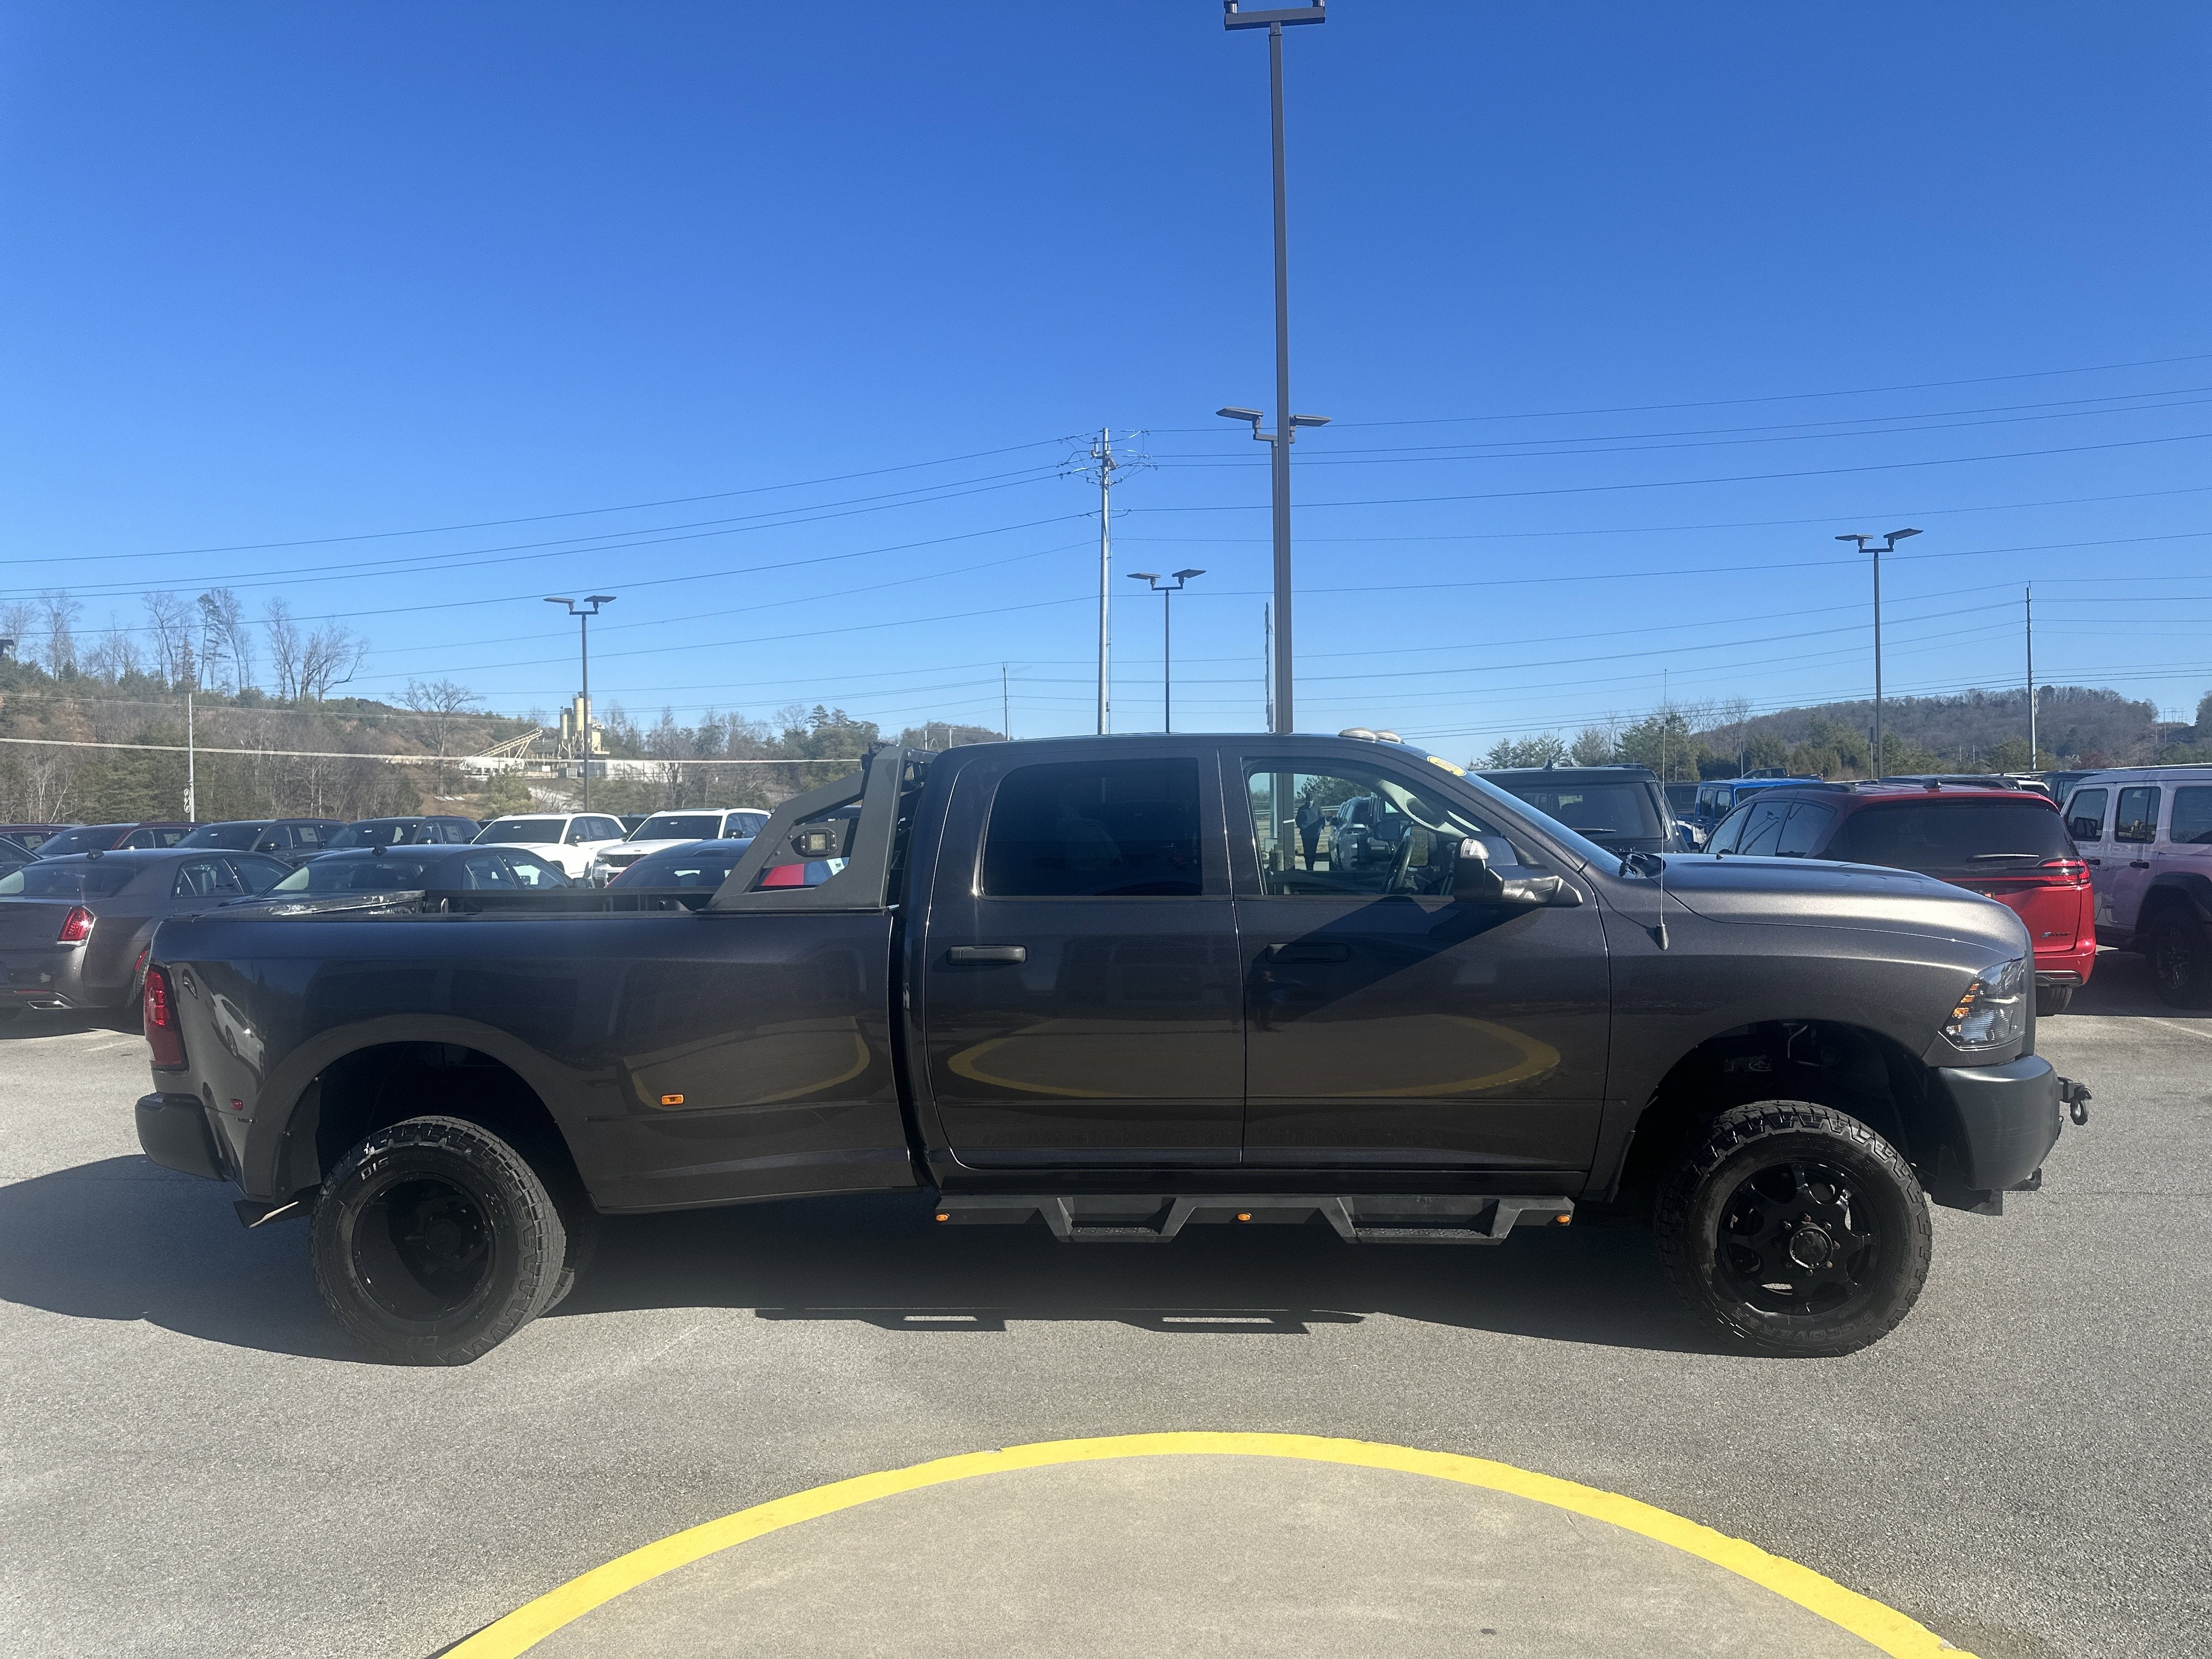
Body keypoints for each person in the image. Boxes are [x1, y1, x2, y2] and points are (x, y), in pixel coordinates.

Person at [1295, 797, 1324, 870]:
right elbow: (1298, 820)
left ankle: (1312, 867)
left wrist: (1320, 829)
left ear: (1313, 800)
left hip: (1315, 833)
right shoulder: (1302, 809)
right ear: (1306, 801)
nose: (1310, 802)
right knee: (1307, 850)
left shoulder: (1318, 808)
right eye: (1309, 800)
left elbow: (1322, 819)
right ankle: (1308, 867)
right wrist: (1302, 827)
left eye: (1311, 800)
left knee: (1313, 850)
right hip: (1305, 833)